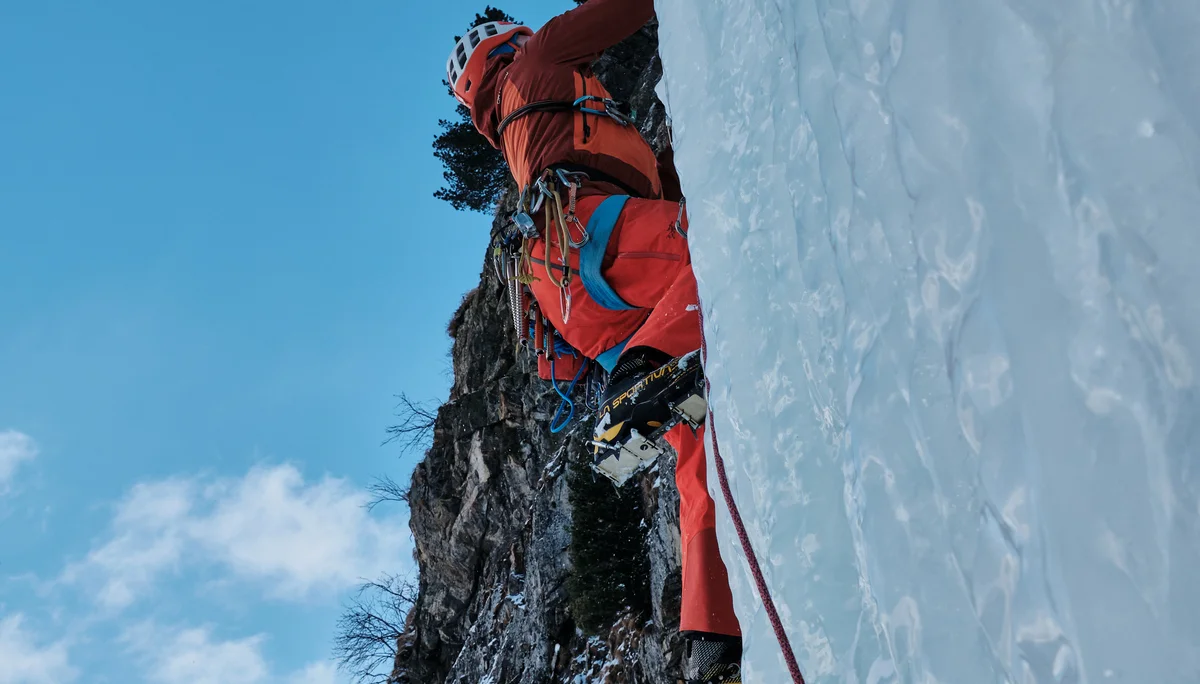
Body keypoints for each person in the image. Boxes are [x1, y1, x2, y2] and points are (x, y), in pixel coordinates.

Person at [446, 2, 741, 681]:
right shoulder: (541, 60)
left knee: (699, 446)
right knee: (724, 247)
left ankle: (711, 635)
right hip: (594, 237)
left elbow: (661, 185)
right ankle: (648, 373)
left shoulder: (530, 130)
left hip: (578, 295)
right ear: (506, 48)